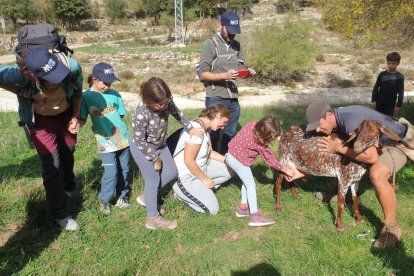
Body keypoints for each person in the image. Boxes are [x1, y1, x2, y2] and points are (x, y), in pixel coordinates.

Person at [305, 100, 414, 248]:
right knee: (345, 149)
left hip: (399, 144)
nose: (317, 129)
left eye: (319, 124)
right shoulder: (338, 117)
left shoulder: (351, 122)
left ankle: (392, 228)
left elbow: (371, 157)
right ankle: (343, 195)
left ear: (329, 114)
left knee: (376, 174)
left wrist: (339, 148)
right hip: (381, 143)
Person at [0, 48, 83, 231]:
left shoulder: (72, 67)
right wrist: (28, 92)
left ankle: (68, 188)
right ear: (34, 75)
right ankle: (59, 213)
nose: (58, 80)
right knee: (51, 164)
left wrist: (76, 116)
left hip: (66, 117)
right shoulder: (18, 75)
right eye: (51, 78)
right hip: (41, 123)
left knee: (68, 153)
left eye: (58, 75)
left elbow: (77, 92)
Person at [130, 77, 203, 229]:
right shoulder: (141, 113)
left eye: (166, 102)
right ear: (149, 101)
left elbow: (177, 113)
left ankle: (147, 197)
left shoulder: (166, 102)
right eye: (159, 104)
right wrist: (154, 158)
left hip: (160, 145)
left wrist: (189, 128)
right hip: (143, 149)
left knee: (171, 172)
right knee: (153, 181)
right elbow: (139, 141)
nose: (164, 106)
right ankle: (153, 219)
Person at [199, 10, 256, 154]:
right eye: (229, 30)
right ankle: (209, 158)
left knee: (230, 133)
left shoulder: (237, 45)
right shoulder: (210, 44)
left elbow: (240, 70)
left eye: (234, 31)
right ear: (221, 25)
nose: (232, 34)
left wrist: (247, 73)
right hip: (215, 97)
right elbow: (204, 74)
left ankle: (226, 159)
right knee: (213, 133)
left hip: (233, 99)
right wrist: (224, 75)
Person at [225, 116, 297, 227]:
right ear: (266, 136)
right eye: (272, 139)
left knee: (246, 181)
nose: (273, 141)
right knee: (251, 185)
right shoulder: (260, 144)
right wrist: (284, 169)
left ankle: (243, 208)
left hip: (230, 155)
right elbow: (271, 160)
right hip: (238, 162)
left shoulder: (252, 123)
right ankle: (254, 216)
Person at [79, 62, 130, 215]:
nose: (108, 85)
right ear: (95, 79)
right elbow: (82, 118)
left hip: (122, 140)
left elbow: (120, 115)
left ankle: (122, 197)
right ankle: (105, 200)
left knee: (125, 169)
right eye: (105, 82)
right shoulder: (85, 97)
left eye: (110, 82)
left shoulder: (115, 94)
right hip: (105, 143)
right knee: (111, 172)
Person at [172, 104, 234, 215]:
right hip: (186, 176)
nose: (223, 127)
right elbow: (188, 161)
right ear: (218, 116)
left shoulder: (205, 129)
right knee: (212, 210)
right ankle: (181, 196)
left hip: (202, 168)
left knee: (232, 169)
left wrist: (229, 160)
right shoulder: (197, 131)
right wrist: (205, 179)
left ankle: (203, 190)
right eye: (224, 122)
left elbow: (210, 153)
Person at [371, 52, 404, 117]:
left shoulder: (400, 76)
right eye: (389, 63)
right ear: (387, 63)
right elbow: (376, 87)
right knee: (377, 119)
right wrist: (374, 100)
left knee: (388, 121)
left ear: (398, 64)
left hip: (390, 104)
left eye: (394, 63)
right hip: (379, 103)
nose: (391, 65)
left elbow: (401, 92)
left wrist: (399, 105)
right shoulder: (382, 74)